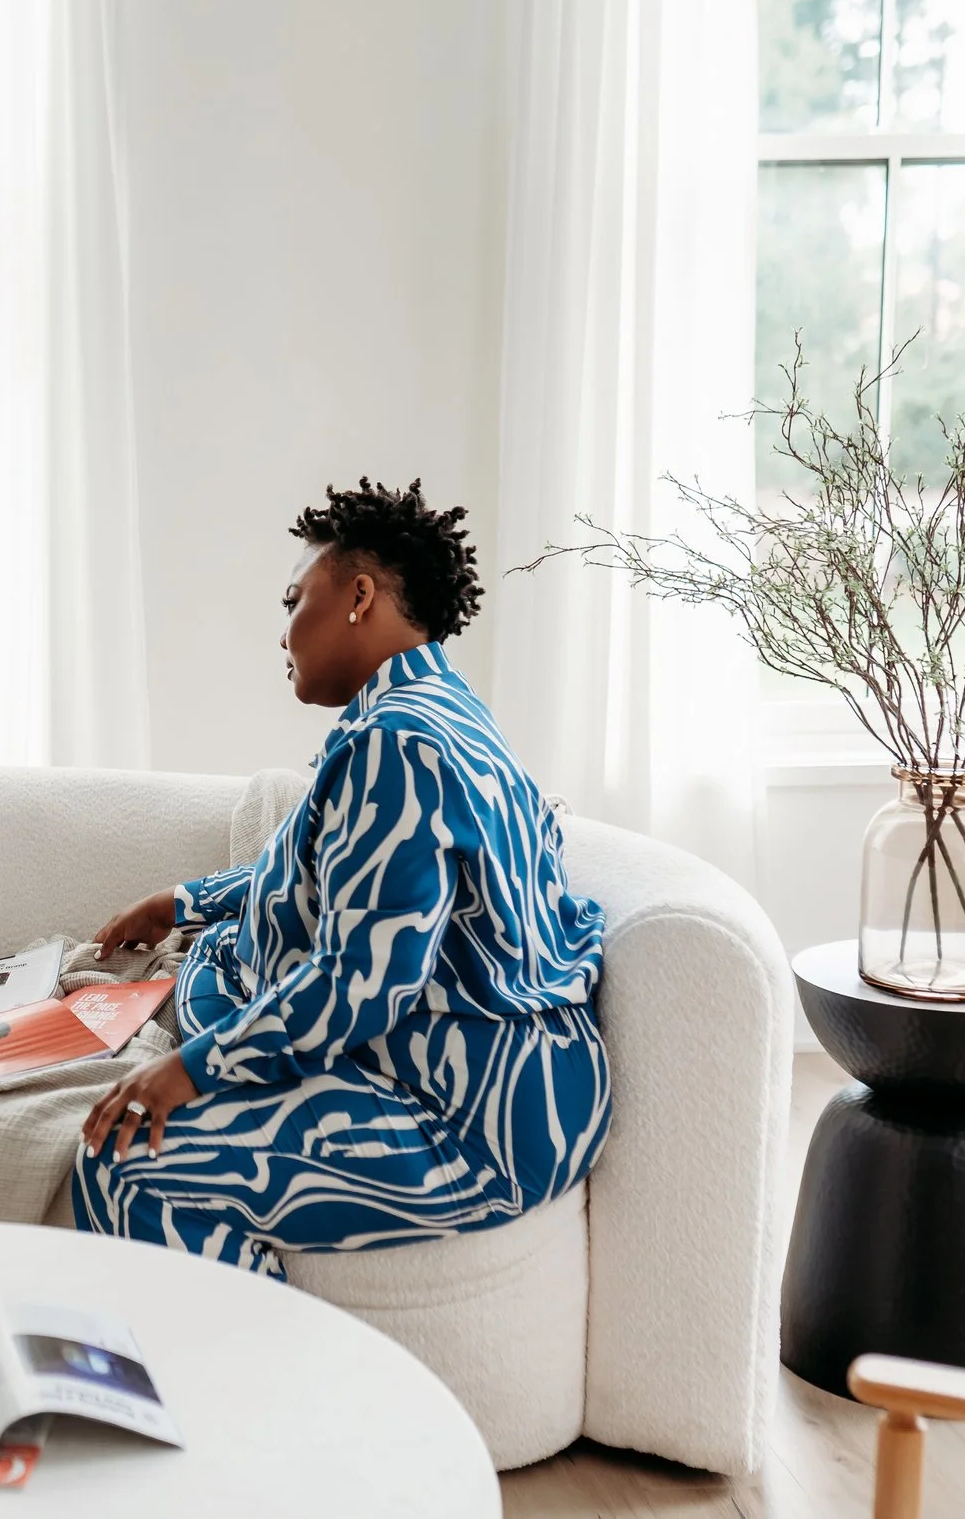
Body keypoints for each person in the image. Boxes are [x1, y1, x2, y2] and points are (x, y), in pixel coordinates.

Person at [74, 477, 610, 1277]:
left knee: (120, 1159)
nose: (283, 631)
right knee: (216, 955)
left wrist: (189, 1071)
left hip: (473, 1116)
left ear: (359, 594)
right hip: (522, 1082)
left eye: (294, 599)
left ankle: (254, 1393)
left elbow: (366, 979)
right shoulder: (437, 706)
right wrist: (179, 903)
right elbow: (338, 876)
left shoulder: (395, 742)